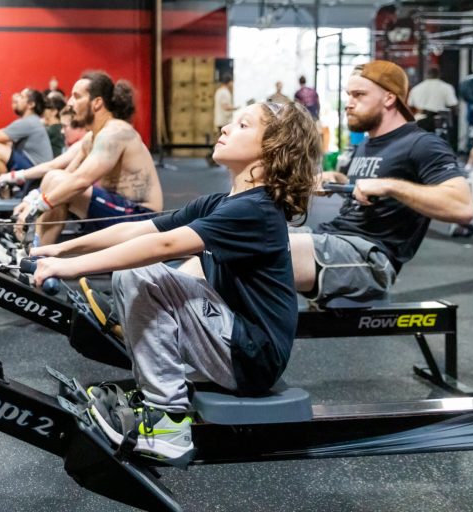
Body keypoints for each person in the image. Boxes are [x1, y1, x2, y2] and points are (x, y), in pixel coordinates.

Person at [29, 101, 320, 460]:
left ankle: (167, 423)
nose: (226, 128)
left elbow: (162, 244)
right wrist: (60, 251)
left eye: (242, 125)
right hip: (235, 338)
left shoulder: (255, 209)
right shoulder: (222, 202)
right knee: (141, 269)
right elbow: (138, 229)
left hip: (253, 356)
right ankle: (158, 394)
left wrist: (73, 268)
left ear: (273, 150)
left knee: (141, 272)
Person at [291, 60, 473, 305]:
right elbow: (367, 191)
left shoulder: (423, 144)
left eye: (359, 95)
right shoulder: (367, 144)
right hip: (332, 240)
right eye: (348, 95)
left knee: (261, 247)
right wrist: (338, 181)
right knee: (248, 235)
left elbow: (463, 208)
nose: (349, 103)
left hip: (369, 261)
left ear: (389, 99)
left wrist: (389, 185)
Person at [15, 71, 163, 246]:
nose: (70, 103)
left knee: (59, 183)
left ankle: (35, 257)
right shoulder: (91, 138)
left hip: (141, 218)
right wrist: (31, 199)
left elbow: (81, 181)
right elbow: (64, 173)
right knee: (54, 178)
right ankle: (34, 254)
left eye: (76, 97)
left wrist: (35, 209)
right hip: (118, 210)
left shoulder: (116, 132)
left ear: (97, 103)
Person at [408, 67, 458, 133]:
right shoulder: (446, 87)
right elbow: (453, 105)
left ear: (426, 75)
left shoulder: (416, 88)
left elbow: (410, 105)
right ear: (439, 75)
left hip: (419, 121)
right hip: (438, 122)